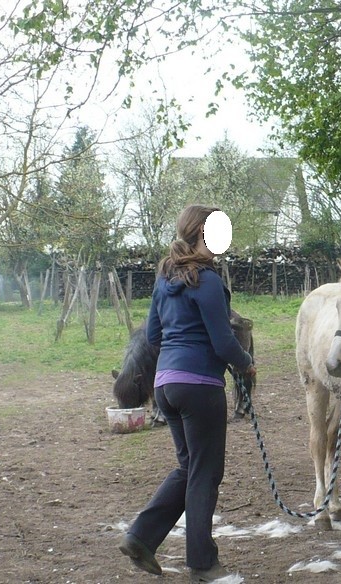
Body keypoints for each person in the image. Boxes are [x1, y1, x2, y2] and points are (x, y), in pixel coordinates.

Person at [119, 204, 255, 583]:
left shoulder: (165, 278)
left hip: (167, 386)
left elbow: (152, 336)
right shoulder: (207, 280)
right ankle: (202, 563)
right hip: (200, 389)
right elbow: (223, 341)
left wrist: (177, 358)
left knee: (190, 468)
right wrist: (245, 362)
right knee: (205, 473)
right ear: (200, 233)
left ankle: (141, 537)